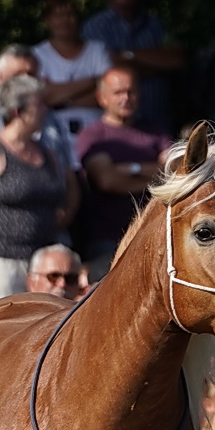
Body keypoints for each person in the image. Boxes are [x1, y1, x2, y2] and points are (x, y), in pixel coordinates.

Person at [0, 75, 71, 312]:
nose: (45, 110)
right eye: (39, 104)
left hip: (41, 265)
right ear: (18, 111)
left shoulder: (46, 154)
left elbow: (62, 195)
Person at [74, 67, 168, 278]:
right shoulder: (93, 136)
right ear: (102, 98)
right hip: (108, 239)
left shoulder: (156, 132)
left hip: (153, 233)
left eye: (131, 91)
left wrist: (130, 169)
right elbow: (107, 181)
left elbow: (175, 171)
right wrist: (156, 177)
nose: (126, 98)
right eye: (118, 92)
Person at [82, 0, 182, 135]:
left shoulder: (156, 25)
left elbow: (176, 60)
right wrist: (155, 66)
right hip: (114, 131)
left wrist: (128, 55)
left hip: (158, 125)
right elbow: (109, 68)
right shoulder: (95, 26)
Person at [31, 0, 110, 161]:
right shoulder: (37, 55)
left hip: (97, 130)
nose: (64, 21)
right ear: (47, 20)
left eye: (70, 14)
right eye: (58, 16)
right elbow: (44, 97)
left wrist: (61, 98)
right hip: (54, 133)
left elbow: (109, 96)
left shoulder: (97, 50)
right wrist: (94, 81)